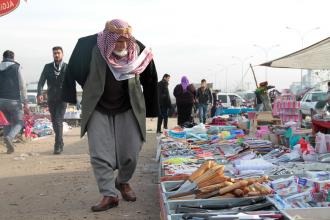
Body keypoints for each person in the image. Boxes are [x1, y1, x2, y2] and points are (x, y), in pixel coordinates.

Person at [61, 19, 158, 212]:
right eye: (117, 41)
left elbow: (150, 78)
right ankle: (109, 194)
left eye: (124, 41)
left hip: (128, 107)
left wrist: (152, 109)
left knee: (131, 151)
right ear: (108, 38)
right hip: (98, 106)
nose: (121, 46)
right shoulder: (89, 46)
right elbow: (74, 71)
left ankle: (122, 182)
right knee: (99, 153)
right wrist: (89, 87)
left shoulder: (138, 50)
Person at [37, 46, 68, 155]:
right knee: (54, 122)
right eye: (54, 53)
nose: (56, 55)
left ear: (62, 54)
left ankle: (57, 145)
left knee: (58, 120)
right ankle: (61, 141)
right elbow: (41, 82)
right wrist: (39, 93)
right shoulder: (47, 67)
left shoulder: (67, 67)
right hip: (51, 98)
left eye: (58, 53)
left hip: (63, 99)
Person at [0, 50, 28, 154]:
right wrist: (25, 102)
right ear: (13, 58)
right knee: (19, 122)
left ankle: (8, 148)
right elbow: (23, 86)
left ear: (3, 57)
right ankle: (9, 137)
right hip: (14, 100)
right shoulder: (17, 67)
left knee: (7, 123)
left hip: (1, 101)